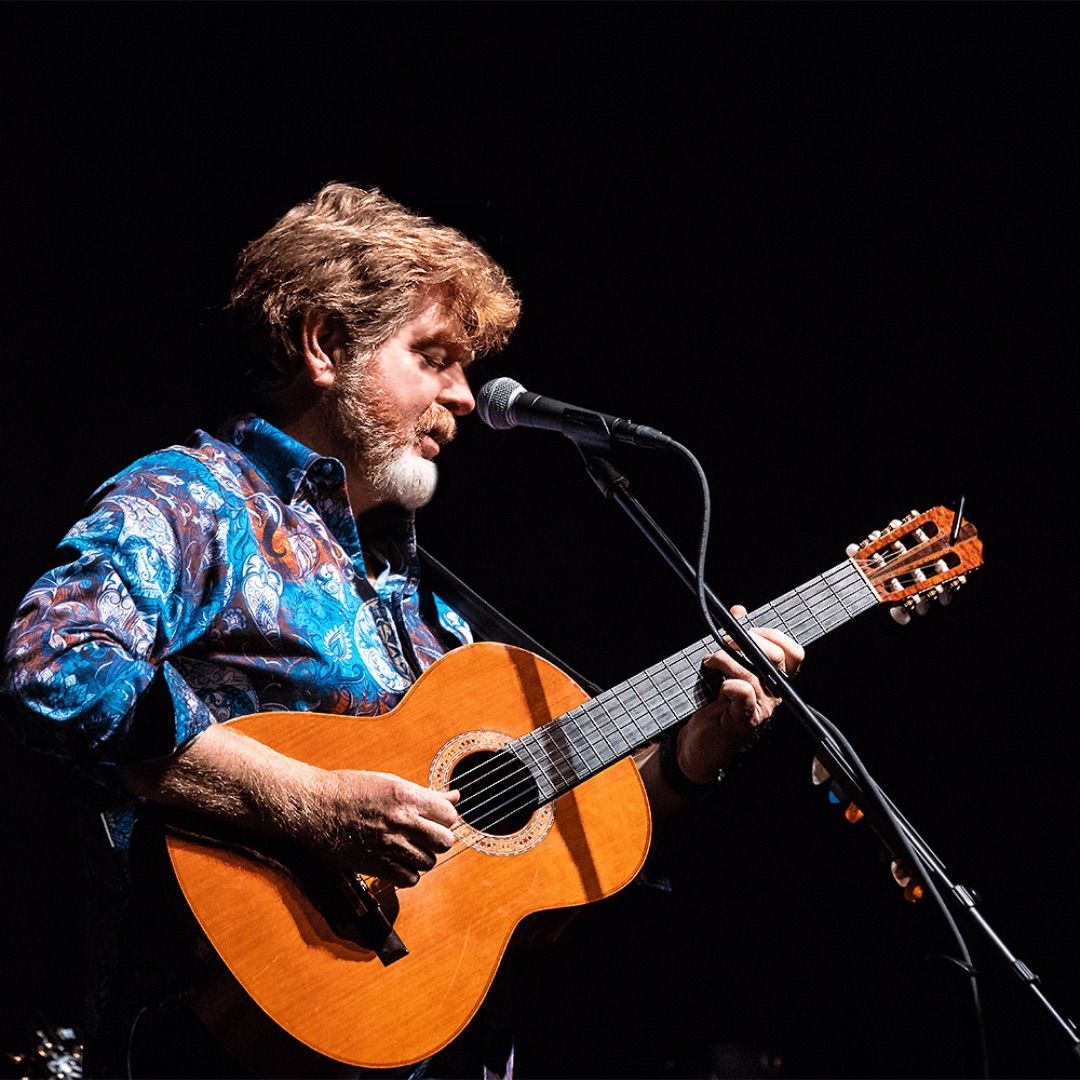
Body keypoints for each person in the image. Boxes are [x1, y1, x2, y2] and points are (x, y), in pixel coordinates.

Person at [0, 182, 804, 1079]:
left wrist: (694, 753)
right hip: (216, 1035)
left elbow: (531, 879)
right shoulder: (193, 500)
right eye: (433, 359)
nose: (464, 397)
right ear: (325, 346)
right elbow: (56, 666)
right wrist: (305, 802)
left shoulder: (427, 605)